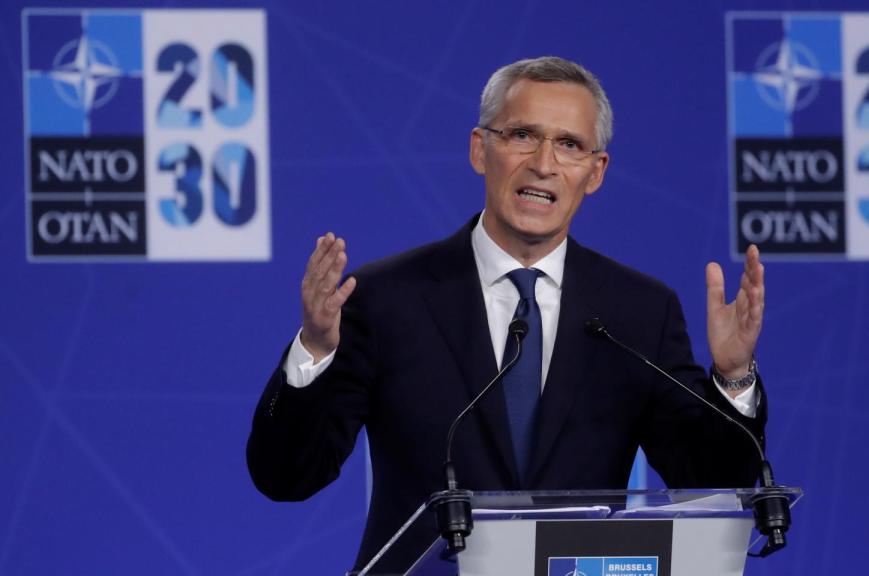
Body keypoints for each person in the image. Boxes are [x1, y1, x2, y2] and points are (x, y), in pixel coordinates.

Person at [247, 56, 767, 573]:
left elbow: (709, 483)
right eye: (522, 135)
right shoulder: (387, 298)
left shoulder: (638, 311)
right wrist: (314, 350)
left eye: (569, 144)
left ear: (595, 171)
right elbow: (288, 476)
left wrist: (733, 377)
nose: (544, 163)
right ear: (481, 149)